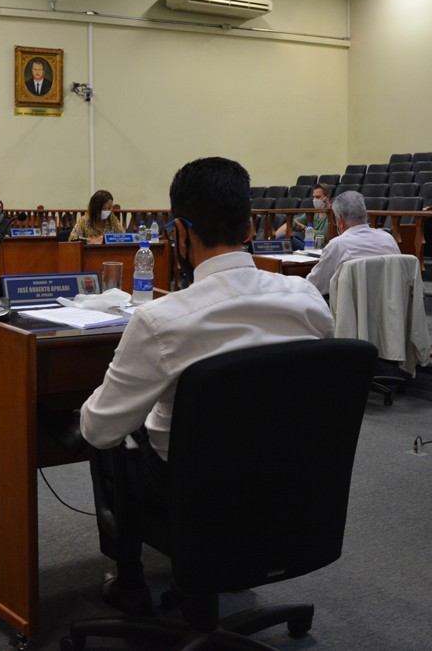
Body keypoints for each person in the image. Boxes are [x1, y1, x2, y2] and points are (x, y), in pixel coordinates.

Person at [78, 156, 334, 616]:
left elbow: (99, 430)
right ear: (250, 227)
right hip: (288, 480)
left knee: (107, 433)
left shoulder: (161, 321)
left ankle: (131, 582)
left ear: (179, 232)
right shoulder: (308, 299)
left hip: (191, 493)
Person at [305, 190, 400, 294]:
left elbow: (314, 285)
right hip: (390, 302)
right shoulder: (388, 239)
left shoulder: (337, 245)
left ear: (340, 220)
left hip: (351, 304)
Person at [274, 182, 332, 248]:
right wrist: (272, 238)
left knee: (285, 236)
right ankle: (269, 244)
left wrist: (304, 228)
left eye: (318, 197)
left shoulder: (332, 213)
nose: (315, 200)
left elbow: (323, 235)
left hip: (320, 247)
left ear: (327, 197)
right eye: (314, 197)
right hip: (307, 245)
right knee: (284, 236)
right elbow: (291, 223)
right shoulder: (313, 212)